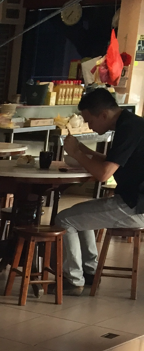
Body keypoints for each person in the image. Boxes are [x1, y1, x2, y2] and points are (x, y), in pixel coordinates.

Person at [57, 87, 144, 295]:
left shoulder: (129, 129)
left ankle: (74, 281)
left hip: (135, 205)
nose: (89, 126)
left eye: (90, 121)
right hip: (135, 200)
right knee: (79, 215)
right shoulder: (130, 123)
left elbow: (104, 174)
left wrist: (76, 154)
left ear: (104, 115)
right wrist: (83, 150)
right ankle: (90, 272)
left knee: (65, 220)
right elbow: (112, 161)